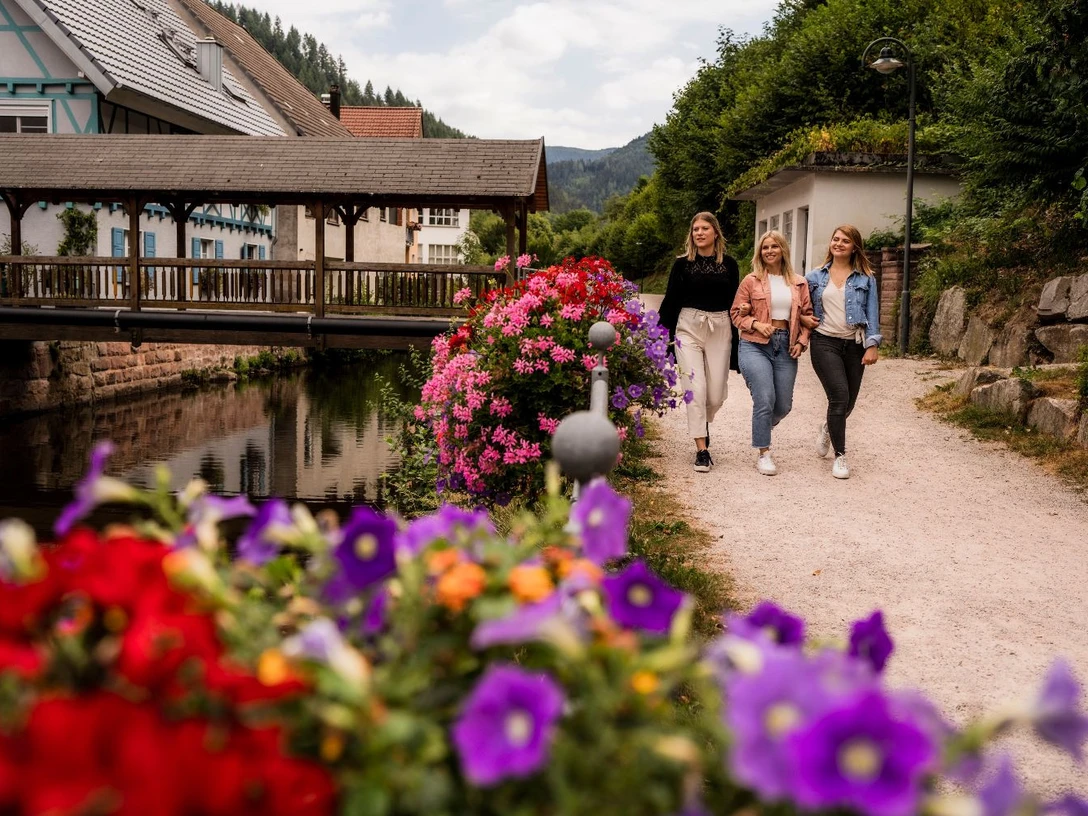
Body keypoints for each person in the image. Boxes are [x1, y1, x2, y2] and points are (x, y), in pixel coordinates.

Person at [658, 212, 740, 473]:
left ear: (716, 232)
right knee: (695, 389)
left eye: (705, 228)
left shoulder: (730, 264)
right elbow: (671, 299)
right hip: (688, 328)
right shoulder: (682, 265)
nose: (700, 233)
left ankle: (703, 422)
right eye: (695, 229)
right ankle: (702, 450)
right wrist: (660, 335)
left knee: (714, 394)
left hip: (720, 326)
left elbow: (735, 303)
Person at [730, 230, 814, 476]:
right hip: (755, 344)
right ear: (760, 252)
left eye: (774, 247)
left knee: (783, 405)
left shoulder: (799, 282)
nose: (769, 251)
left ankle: (764, 426)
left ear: (783, 250)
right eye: (765, 247)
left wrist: (802, 341)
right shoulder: (751, 281)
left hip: (786, 345)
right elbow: (736, 313)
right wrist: (755, 324)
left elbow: (807, 315)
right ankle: (764, 453)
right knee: (764, 398)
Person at [805, 224, 882, 480]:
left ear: (854, 247)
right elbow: (802, 310)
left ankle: (828, 427)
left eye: (845, 241)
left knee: (848, 403)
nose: (838, 244)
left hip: (854, 345)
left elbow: (872, 313)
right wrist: (805, 323)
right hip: (824, 342)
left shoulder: (865, 277)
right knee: (839, 396)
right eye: (835, 239)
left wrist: (872, 344)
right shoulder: (814, 277)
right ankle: (840, 456)